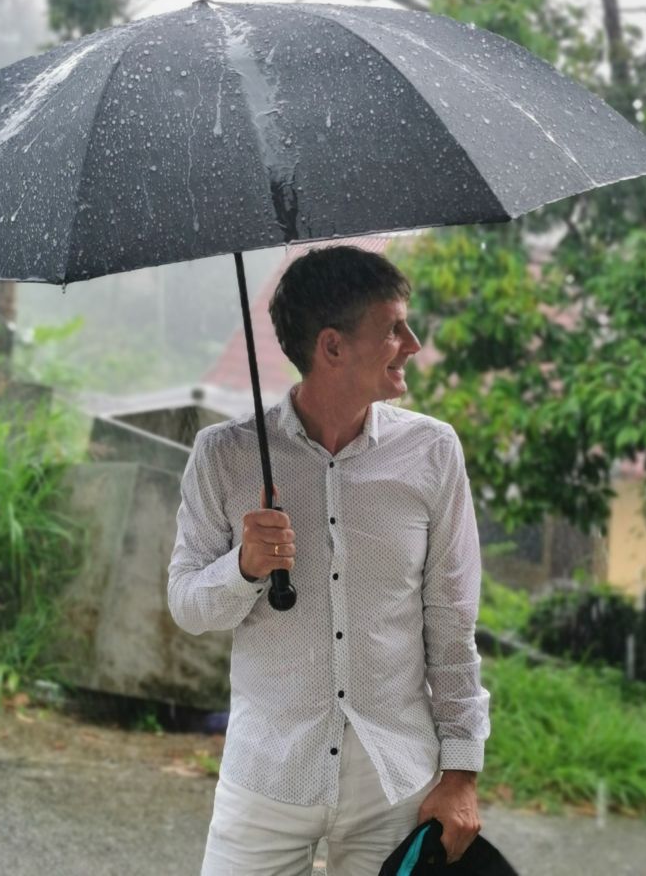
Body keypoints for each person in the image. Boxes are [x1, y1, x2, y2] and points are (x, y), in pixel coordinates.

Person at [168, 245, 491, 876]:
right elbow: (186, 604)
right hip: (267, 776)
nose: (413, 344)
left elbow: (453, 622)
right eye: (393, 328)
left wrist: (461, 773)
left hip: (394, 779)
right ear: (332, 346)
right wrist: (244, 567)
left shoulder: (432, 452)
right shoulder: (224, 456)